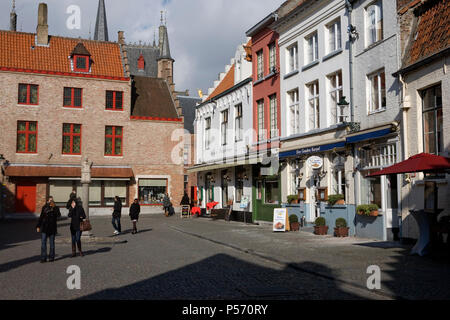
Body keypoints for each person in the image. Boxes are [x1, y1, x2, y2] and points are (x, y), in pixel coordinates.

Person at [36, 197, 59, 262]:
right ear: (47, 201)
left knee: (52, 244)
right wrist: (38, 226)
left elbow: (58, 215)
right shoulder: (44, 207)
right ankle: (43, 257)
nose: (51, 201)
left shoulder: (55, 208)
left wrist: (54, 208)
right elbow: (41, 217)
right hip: (45, 228)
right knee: (43, 243)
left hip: (52, 228)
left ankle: (51, 257)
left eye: (52, 200)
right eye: (50, 200)